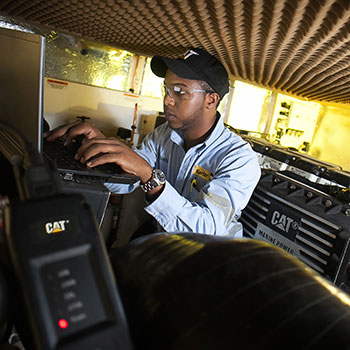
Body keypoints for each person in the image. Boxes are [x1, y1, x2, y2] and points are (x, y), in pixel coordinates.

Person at [44, 48, 261, 237]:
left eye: (180, 91)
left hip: (208, 260)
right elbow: (122, 183)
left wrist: (149, 176)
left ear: (211, 100)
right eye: (166, 90)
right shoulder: (164, 134)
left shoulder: (239, 159)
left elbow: (204, 229)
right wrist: (97, 149)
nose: (167, 100)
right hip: (167, 242)